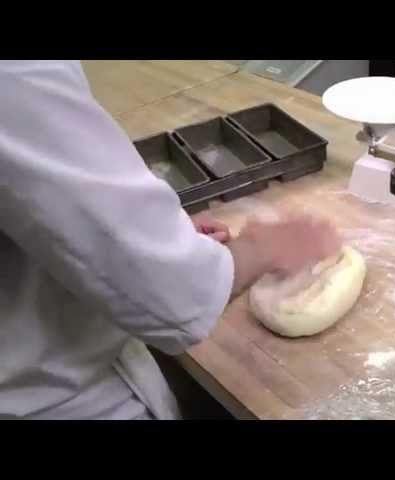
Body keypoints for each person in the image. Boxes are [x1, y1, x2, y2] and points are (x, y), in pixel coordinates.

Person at [0, 60, 341, 419]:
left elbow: (36, 204)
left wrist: (155, 234)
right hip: (55, 400)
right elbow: (171, 293)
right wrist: (262, 246)